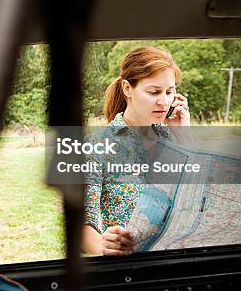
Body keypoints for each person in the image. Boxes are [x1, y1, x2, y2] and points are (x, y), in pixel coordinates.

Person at [81, 46, 190, 256]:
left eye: (169, 92)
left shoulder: (174, 139)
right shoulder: (96, 147)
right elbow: (83, 222)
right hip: (129, 269)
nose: (164, 101)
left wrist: (185, 137)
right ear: (127, 88)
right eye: (154, 92)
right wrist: (105, 247)